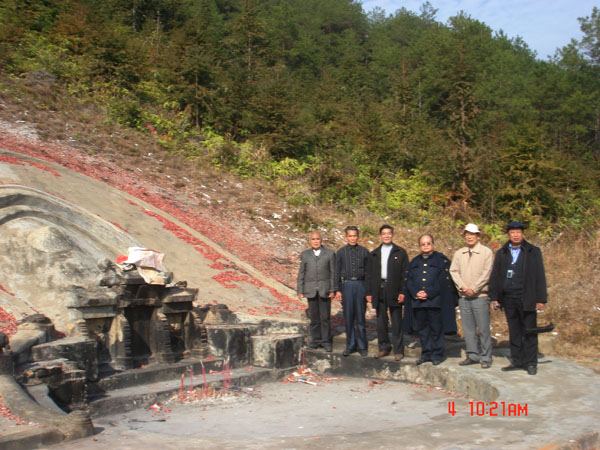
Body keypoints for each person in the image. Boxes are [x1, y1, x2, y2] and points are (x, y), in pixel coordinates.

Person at [489, 221, 547, 376]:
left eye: (518, 232)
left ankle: (531, 362)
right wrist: (494, 297)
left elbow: (540, 275)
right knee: (514, 330)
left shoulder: (533, 251)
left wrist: (541, 299)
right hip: (508, 297)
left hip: (526, 296)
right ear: (508, 234)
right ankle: (517, 360)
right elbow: (495, 276)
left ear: (522, 234)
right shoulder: (502, 252)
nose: (515, 235)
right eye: (513, 232)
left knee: (529, 330)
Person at [406, 234, 457, 366]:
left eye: (428, 243)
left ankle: (437, 354)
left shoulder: (441, 260)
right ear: (419, 246)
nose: (426, 246)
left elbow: (443, 281)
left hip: (434, 301)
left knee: (436, 329)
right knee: (422, 330)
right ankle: (426, 354)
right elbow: (409, 280)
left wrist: (428, 293)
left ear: (433, 244)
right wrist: (416, 292)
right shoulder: (415, 262)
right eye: (423, 244)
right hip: (418, 302)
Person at [450, 223, 494, 369]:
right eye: (467, 234)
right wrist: (463, 286)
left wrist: (474, 288)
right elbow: (453, 271)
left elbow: (487, 273)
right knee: (468, 329)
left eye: (472, 234)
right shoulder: (459, 253)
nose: (469, 237)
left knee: (483, 329)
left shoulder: (486, 253)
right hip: (464, 296)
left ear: (478, 236)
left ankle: (486, 356)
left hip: (480, 296)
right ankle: (472, 354)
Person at [365, 225, 409, 361]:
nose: (386, 236)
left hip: (394, 289)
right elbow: (369, 275)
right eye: (384, 234)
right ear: (380, 236)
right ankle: (384, 347)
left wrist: (403, 291)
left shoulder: (400, 252)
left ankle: (398, 350)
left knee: (396, 321)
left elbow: (405, 274)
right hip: (379, 289)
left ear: (392, 235)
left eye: (389, 233)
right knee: (381, 321)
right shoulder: (374, 254)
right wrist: (369, 292)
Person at [297, 231, 336, 352]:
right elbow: (302, 273)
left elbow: (333, 273)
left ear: (321, 240)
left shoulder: (329, 254)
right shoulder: (305, 255)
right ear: (310, 241)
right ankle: (315, 340)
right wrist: (300, 289)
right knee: (314, 318)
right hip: (311, 290)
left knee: (325, 317)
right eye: (313, 239)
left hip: (325, 290)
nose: (315, 241)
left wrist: (333, 289)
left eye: (317, 239)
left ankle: (326, 341)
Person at [334, 226, 369, 357]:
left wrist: (368, 291)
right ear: (346, 237)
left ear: (358, 237)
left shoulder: (364, 251)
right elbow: (336, 272)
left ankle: (362, 346)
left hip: (360, 285)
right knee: (348, 317)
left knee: (360, 317)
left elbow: (369, 272)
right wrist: (337, 289)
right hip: (347, 285)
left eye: (354, 236)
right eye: (350, 236)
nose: (352, 238)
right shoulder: (341, 252)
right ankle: (350, 345)